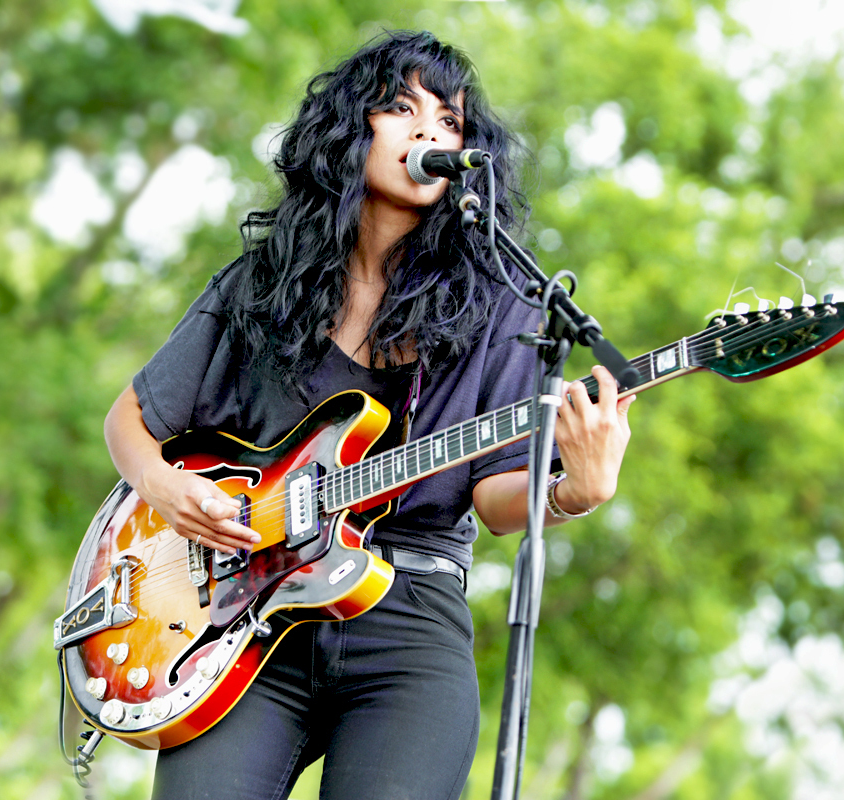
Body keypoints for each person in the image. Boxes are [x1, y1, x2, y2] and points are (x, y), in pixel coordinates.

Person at [103, 29, 634, 800]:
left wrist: (569, 493)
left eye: (450, 122)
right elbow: (132, 420)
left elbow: (493, 499)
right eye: (400, 108)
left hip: (409, 628)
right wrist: (161, 487)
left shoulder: (500, 305)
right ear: (350, 131)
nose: (429, 131)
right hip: (242, 623)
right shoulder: (263, 284)